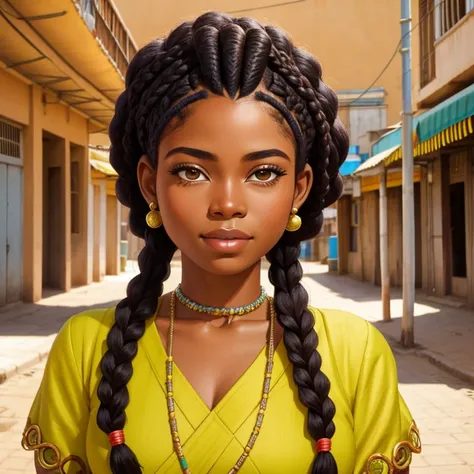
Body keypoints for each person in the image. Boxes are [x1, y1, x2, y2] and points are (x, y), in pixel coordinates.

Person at [22, 11, 421, 474]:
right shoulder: (85, 348)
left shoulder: (355, 353)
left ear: (300, 187)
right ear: (150, 184)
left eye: (263, 172)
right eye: (192, 171)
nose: (227, 203)